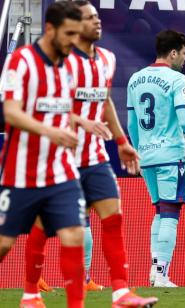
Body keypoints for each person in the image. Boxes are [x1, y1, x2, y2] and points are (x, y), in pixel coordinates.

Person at [21, 1, 159, 306]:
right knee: (43, 227)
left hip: (94, 156)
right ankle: (30, 293)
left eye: (97, 17)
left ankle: (121, 292)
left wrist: (122, 141)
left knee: (113, 217)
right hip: (58, 157)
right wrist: (78, 120)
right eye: (89, 18)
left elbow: (105, 100)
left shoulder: (107, 59)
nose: (97, 22)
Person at [0, 2, 88, 307]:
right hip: (20, 172)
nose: (73, 41)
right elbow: (11, 113)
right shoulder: (21, 62)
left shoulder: (70, 66)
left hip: (60, 170)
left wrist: (80, 122)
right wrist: (50, 132)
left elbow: (61, 112)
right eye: (68, 34)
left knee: (74, 235)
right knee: (4, 243)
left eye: (77, 34)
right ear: (49, 29)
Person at [127, 29, 185, 287]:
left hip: (146, 156)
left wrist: (139, 151)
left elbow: (132, 124)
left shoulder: (135, 79)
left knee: (159, 212)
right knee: (169, 214)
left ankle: (155, 271)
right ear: (174, 52)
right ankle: (162, 274)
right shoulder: (177, 80)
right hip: (170, 155)